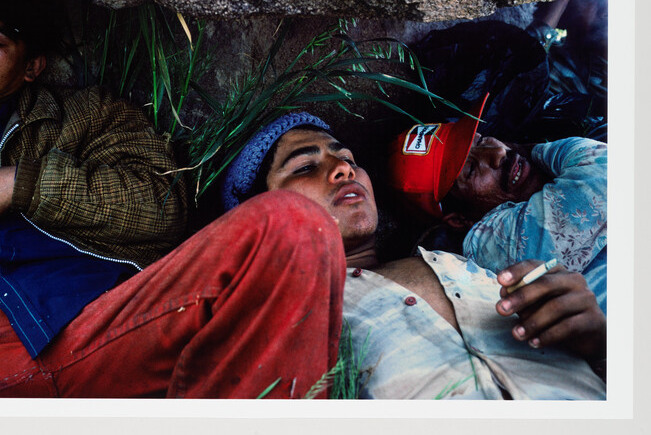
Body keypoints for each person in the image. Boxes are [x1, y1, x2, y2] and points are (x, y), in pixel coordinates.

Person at [0, 0, 345, 398]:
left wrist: (28, 184)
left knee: (292, 220)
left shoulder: (90, 115)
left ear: (32, 67)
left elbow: (163, 207)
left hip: (103, 319)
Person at [221, 112, 606, 399]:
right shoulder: (288, 320)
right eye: (305, 166)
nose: (343, 169)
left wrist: (598, 344)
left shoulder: (471, 269)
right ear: (259, 214)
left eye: (350, 160)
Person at [386, 94, 607, 315]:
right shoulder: (496, 243)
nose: (499, 152)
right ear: (458, 219)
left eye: (481, 141)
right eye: (471, 169)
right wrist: (535, 152)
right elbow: (606, 175)